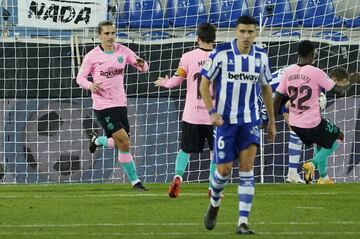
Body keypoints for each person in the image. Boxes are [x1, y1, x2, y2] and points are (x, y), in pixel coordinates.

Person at [200, 15, 276, 234]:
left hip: (250, 120)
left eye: (251, 32)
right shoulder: (220, 53)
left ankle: (242, 222)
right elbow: (204, 84)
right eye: (242, 31)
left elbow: (266, 89)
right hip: (225, 122)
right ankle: (214, 204)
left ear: (255, 34)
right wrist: (212, 112)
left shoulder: (261, 56)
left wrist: (271, 121)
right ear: (236, 31)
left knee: (247, 167)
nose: (246, 36)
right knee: (223, 170)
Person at [274, 40, 360, 185]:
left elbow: (278, 97)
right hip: (311, 123)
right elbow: (339, 90)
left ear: (297, 54)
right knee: (338, 137)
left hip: (294, 124)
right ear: (313, 54)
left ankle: (323, 177)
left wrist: (272, 119)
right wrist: (351, 80)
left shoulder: (288, 72)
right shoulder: (316, 72)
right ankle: (312, 164)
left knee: (319, 143)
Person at [76, 20, 149, 191]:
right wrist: (90, 85)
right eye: (107, 33)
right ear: (99, 35)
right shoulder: (92, 56)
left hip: (120, 103)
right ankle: (136, 182)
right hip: (103, 105)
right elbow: (80, 78)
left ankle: (97, 140)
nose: (110, 37)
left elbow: (144, 67)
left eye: (113, 33)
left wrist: (141, 64)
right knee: (124, 141)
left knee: (120, 143)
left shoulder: (123, 50)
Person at [154, 23, 217, 198]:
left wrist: (164, 82)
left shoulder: (188, 57)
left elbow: (175, 82)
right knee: (216, 152)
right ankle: (212, 187)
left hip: (192, 114)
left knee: (185, 150)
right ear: (214, 39)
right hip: (214, 115)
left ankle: (177, 177)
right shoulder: (223, 57)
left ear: (198, 38)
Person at [260, 67, 305, 184]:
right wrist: (271, 122)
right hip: (269, 92)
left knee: (296, 130)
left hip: (285, 92)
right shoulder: (282, 82)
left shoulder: (302, 77)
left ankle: (292, 174)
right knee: (259, 125)